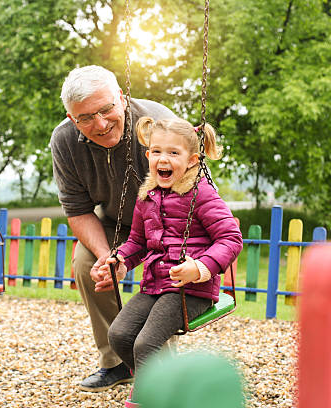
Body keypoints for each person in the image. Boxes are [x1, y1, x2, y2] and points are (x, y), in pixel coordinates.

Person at [98, 116, 243, 406]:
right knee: (120, 335)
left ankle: (146, 398)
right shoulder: (146, 197)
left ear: (191, 160)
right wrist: (121, 259)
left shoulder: (202, 194)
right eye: (158, 151)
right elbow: (139, 242)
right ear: (149, 155)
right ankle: (166, 385)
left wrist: (200, 268)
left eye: (173, 153)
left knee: (146, 343)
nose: (164, 159)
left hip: (191, 290)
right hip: (155, 284)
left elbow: (231, 239)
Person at [50, 65, 176, 392]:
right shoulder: (64, 141)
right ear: (71, 116)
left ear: (121, 98)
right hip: (115, 222)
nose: (101, 124)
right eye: (86, 118)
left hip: (169, 219)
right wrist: (110, 258)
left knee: (162, 270)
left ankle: (164, 370)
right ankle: (117, 362)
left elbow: (192, 195)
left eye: (106, 110)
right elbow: (77, 210)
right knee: (87, 264)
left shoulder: (159, 125)